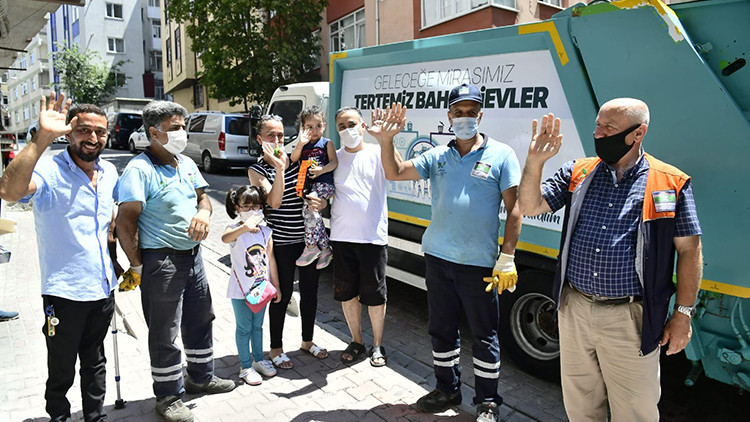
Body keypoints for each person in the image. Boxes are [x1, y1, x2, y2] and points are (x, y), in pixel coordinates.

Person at [517, 98, 703, 421]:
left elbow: (690, 250)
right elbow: (530, 206)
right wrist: (535, 162)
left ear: (638, 133)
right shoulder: (579, 172)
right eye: (598, 126)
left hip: (630, 318)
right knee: (580, 406)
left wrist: (683, 314)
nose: (599, 134)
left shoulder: (670, 182)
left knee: (634, 411)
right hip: (574, 309)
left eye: (608, 128)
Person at [371, 83, 523, 422]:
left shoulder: (501, 155)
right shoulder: (438, 156)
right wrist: (386, 141)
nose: (465, 117)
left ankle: (487, 401)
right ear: (449, 116)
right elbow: (395, 172)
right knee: (441, 330)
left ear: (480, 116)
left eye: (471, 112)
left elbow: (515, 208)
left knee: (484, 335)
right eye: (459, 112)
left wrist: (507, 257)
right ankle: (446, 390)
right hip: (438, 259)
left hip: (479, 265)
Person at [0, 93, 122, 422]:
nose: (93, 138)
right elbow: (9, 192)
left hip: (103, 287)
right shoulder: (48, 170)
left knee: (95, 361)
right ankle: (59, 417)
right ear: (68, 133)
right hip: (64, 292)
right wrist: (41, 138)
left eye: (100, 131)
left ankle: (95, 416)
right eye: (84, 130)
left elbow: (114, 217)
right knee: (62, 366)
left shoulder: (110, 172)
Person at [115, 100, 235, 422]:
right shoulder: (139, 170)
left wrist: (204, 213)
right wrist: (138, 267)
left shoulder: (185, 163)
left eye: (184, 126)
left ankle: (201, 377)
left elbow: (203, 198)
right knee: (164, 331)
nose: (183, 133)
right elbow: (125, 222)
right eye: (175, 128)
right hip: (161, 262)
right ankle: (168, 396)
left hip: (193, 257)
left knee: (201, 318)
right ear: (154, 133)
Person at [248, 114, 329, 370]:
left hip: (306, 242)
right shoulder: (257, 170)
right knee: (280, 296)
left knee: (310, 293)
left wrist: (321, 202)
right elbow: (274, 202)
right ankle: (276, 348)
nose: (277, 140)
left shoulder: (297, 159)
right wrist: (280, 169)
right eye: (270, 135)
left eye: (281, 135)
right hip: (280, 243)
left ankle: (307, 341)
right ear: (260, 139)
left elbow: (315, 187)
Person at [330, 107, 389, 367]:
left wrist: (384, 138)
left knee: (375, 295)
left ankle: (377, 344)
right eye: (341, 126)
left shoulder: (377, 152)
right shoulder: (334, 158)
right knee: (347, 294)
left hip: (372, 239)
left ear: (363, 126)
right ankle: (356, 341)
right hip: (342, 237)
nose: (347, 130)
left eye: (351, 124)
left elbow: (397, 167)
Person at [221, 185, 281, 385]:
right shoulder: (234, 230)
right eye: (246, 206)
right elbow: (225, 238)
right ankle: (245, 366)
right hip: (241, 291)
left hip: (261, 290)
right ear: (236, 208)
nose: (252, 210)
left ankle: (259, 360)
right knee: (244, 328)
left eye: (256, 206)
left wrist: (276, 286)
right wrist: (244, 228)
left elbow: (271, 260)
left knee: (257, 326)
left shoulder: (266, 232)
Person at [290, 105, 337, 268]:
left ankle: (311, 246)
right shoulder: (303, 145)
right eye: (310, 127)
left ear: (324, 125)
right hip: (310, 187)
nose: (315, 130)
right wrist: (300, 144)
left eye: (318, 126)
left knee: (309, 211)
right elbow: (293, 159)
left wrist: (321, 170)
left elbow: (334, 163)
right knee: (312, 214)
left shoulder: (327, 143)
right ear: (303, 128)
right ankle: (324, 248)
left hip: (324, 184)